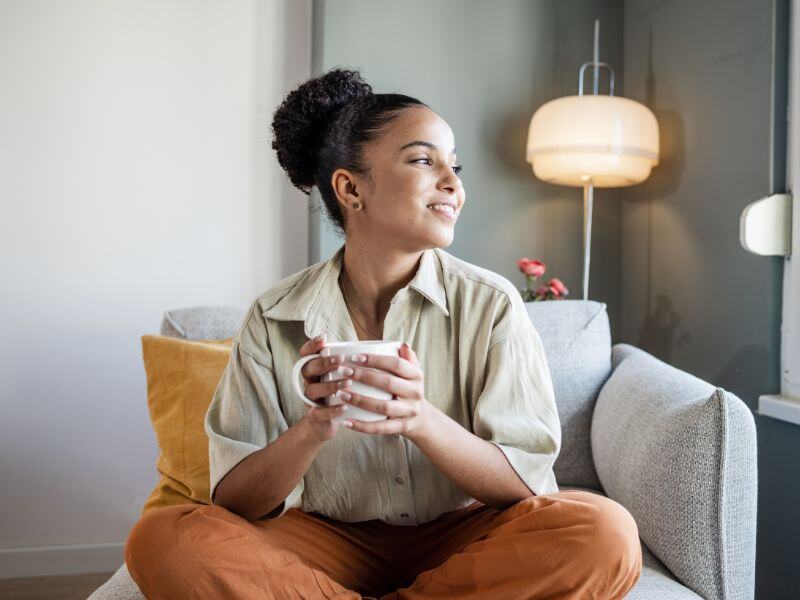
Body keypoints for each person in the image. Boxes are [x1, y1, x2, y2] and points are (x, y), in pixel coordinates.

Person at [125, 68, 642, 599]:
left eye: (455, 165)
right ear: (350, 188)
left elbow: (524, 484)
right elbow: (235, 502)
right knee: (164, 538)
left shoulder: (492, 304)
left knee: (604, 532)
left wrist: (420, 419)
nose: (454, 183)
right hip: (323, 538)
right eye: (424, 160)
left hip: (462, 537)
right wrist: (313, 428)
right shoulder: (273, 315)